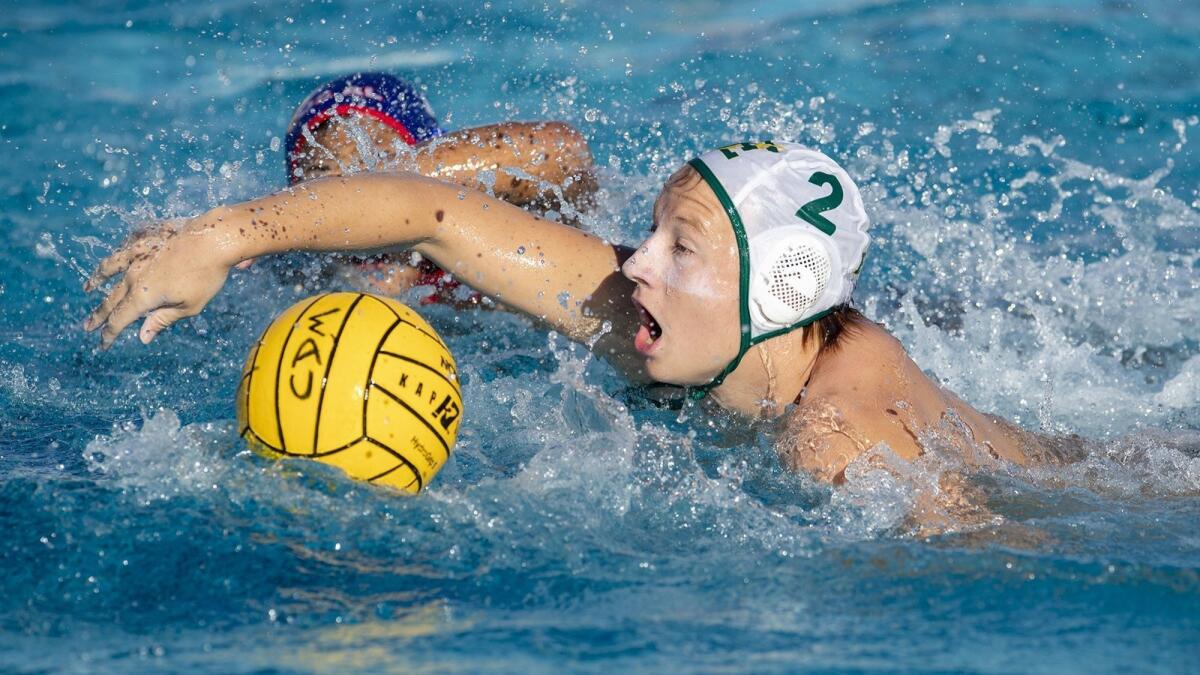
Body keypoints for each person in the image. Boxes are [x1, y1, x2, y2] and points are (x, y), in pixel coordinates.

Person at [83, 119, 1073, 514]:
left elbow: (990, 571)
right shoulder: (668, 318)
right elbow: (433, 216)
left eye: (679, 247)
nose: (633, 262)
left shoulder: (833, 441)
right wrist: (219, 238)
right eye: (650, 232)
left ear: (778, 291)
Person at [275, 72, 597, 303]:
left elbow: (565, 153)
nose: (352, 213)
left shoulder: (488, 250)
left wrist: (386, 191)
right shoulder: (295, 270)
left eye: (376, 162)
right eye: (318, 176)